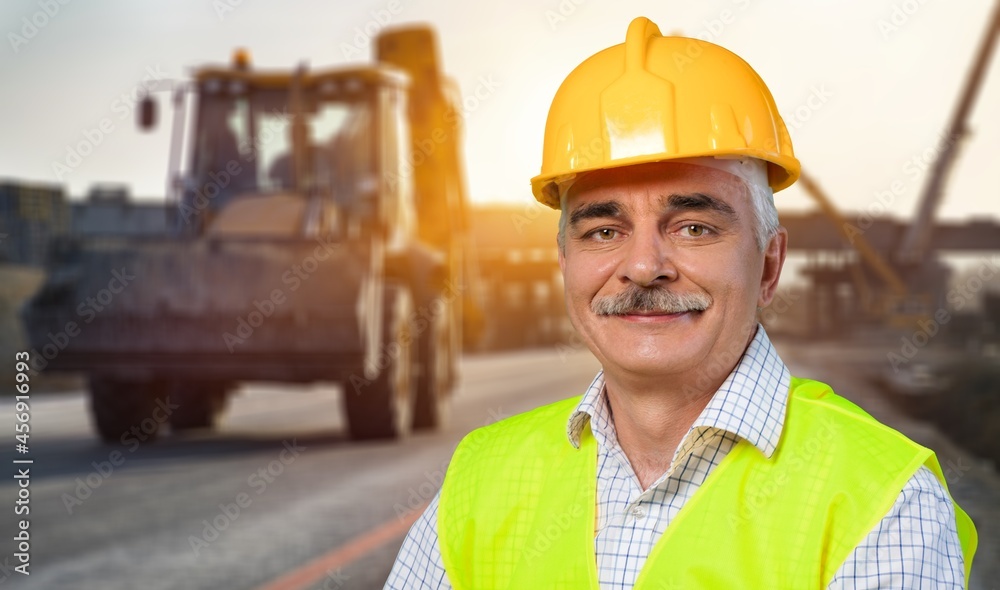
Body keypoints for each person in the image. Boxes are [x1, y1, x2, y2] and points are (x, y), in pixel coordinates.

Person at [385, 16, 977, 589]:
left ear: (769, 264)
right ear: (565, 263)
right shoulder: (481, 478)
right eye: (603, 231)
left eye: (693, 227)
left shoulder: (881, 503)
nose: (643, 267)